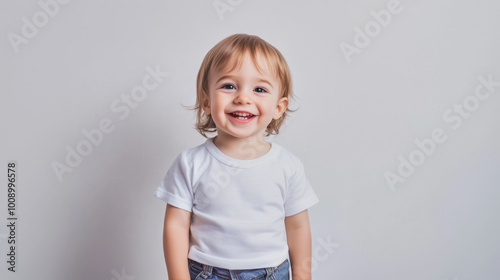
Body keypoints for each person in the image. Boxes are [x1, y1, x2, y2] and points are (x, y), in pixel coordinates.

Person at [155, 33, 319, 280]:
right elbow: (176, 225)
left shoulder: (287, 166)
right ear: (207, 101)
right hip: (208, 273)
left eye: (260, 89)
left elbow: (297, 226)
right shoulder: (190, 163)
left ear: (278, 107)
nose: (243, 97)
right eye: (229, 86)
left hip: (272, 273)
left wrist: (303, 276)